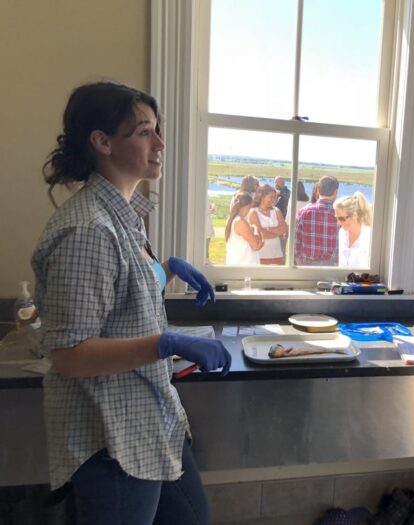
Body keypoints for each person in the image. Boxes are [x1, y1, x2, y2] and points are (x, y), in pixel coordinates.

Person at [31, 81, 233, 525]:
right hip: (112, 436)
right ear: (102, 142)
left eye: (156, 130)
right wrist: (167, 343)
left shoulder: (122, 215)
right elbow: (69, 355)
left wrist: (167, 269)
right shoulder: (88, 229)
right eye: (144, 132)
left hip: (150, 418)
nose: (160, 143)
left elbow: (118, 290)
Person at [294, 175, 339, 265]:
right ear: (335, 192)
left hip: (307, 265)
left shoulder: (302, 212)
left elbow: (296, 242)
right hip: (331, 266)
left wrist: (299, 263)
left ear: (318, 190)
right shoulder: (339, 214)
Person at [247, 184, 288, 265]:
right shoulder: (253, 212)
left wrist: (267, 230)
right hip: (261, 255)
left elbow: (284, 229)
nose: (274, 200)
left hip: (277, 254)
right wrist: (277, 233)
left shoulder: (276, 210)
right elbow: (260, 234)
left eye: (275, 197)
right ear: (262, 197)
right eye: (271, 197)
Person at [334, 191, 372, 267]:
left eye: (341, 218)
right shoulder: (342, 233)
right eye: (337, 218)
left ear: (354, 215)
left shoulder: (370, 236)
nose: (338, 223)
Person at [225, 191, 263, 265]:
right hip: (244, 265)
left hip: (238, 263)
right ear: (248, 205)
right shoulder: (240, 221)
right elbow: (256, 246)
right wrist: (255, 229)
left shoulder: (232, 219)